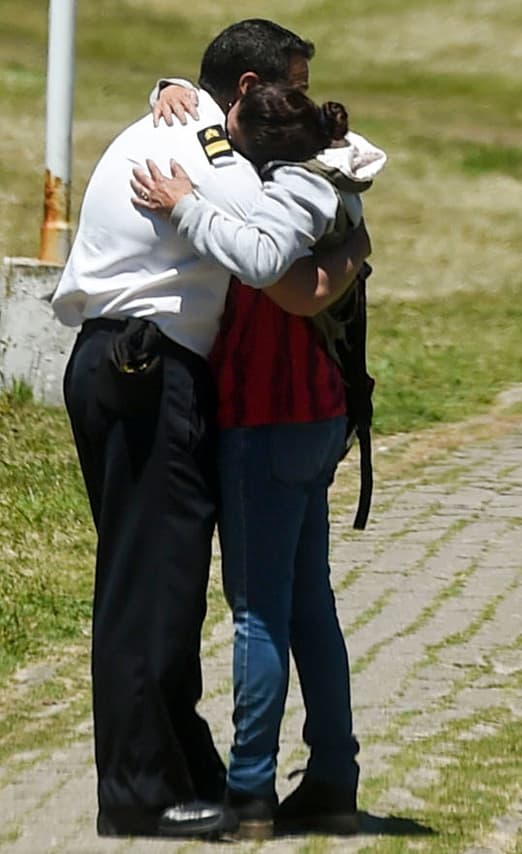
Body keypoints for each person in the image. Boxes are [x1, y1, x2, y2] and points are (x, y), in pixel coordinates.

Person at [51, 19, 369, 840]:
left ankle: (183, 769)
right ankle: (141, 794)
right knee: (148, 588)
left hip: (140, 365)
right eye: (293, 89)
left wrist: (167, 84)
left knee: (167, 583)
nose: (307, 107)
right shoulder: (205, 161)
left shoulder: (193, 129)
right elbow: (275, 251)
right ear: (249, 93)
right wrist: (352, 235)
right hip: (143, 366)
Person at [130, 83, 387, 840]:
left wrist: (183, 204)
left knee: (259, 617)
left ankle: (249, 794)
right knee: (311, 606)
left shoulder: (286, 196)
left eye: (230, 127)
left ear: (257, 143)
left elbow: (270, 267)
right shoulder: (326, 177)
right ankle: (335, 777)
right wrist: (170, 89)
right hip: (317, 415)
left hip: (269, 417)